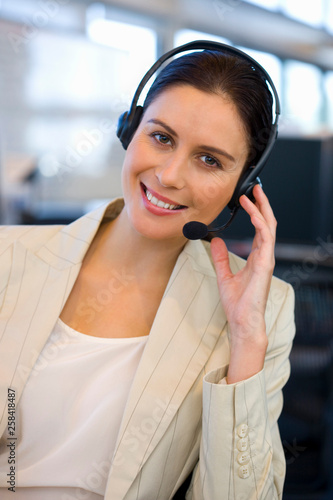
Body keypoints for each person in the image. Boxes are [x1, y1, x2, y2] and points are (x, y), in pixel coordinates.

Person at [0, 43, 295, 499]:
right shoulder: (8, 255)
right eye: (161, 137)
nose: (171, 175)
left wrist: (246, 340)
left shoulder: (265, 312)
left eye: (210, 159)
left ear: (244, 187)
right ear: (129, 129)